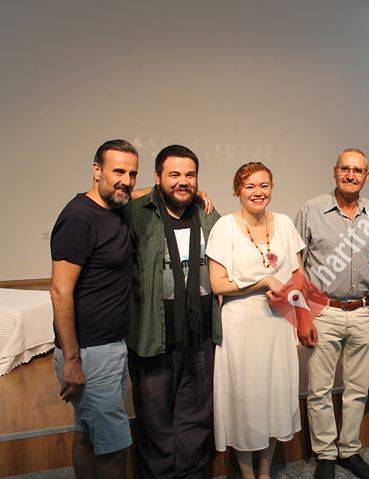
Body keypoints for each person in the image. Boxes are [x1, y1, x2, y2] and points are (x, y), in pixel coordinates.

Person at [295, 148, 369, 479]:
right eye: (345, 169)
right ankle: (325, 453)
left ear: (367, 176)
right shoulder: (311, 210)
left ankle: (349, 450)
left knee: (357, 389)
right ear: (335, 171)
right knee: (320, 389)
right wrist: (302, 315)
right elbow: (296, 266)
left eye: (358, 170)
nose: (351, 175)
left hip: (364, 312)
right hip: (323, 311)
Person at [206, 162, 305, 479]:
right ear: (238, 191)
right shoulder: (224, 227)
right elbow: (218, 284)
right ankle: (248, 475)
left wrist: (305, 320)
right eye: (249, 186)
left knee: (274, 397)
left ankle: (265, 472)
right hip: (240, 327)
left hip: (278, 324)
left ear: (272, 188)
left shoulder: (285, 223)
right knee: (245, 401)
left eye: (264, 185)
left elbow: (299, 277)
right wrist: (262, 282)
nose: (257, 192)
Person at [127, 145, 221, 478]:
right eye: (174, 175)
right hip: (154, 335)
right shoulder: (137, 212)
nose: (183, 181)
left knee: (196, 416)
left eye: (190, 175)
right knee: (155, 419)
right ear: (157, 177)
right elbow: (107, 197)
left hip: (201, 336)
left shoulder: (208, 215)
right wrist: (140, 192)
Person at [49, 139, 138, 478]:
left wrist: (188, 190)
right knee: (114, 447)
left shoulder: (115, 205)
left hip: (108, 347)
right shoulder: (79, 218)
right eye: (119, 171)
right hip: (89, 353)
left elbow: (140, 191)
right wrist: (72, 360)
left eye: (132, 173)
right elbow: (60, 291)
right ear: (96, 170)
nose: (126, 181)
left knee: (86, 432)